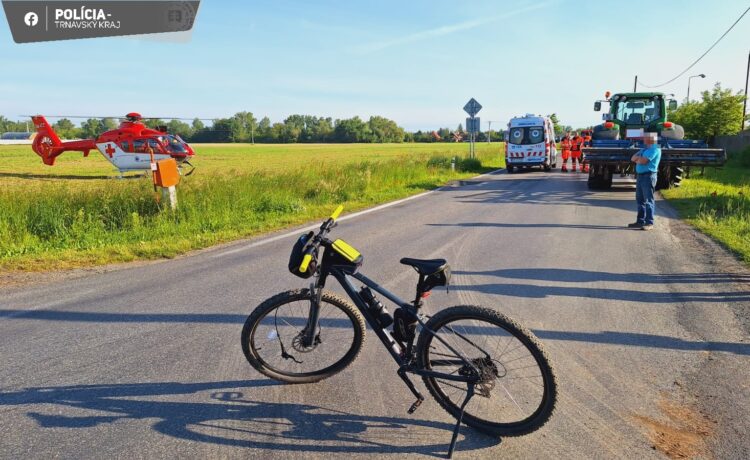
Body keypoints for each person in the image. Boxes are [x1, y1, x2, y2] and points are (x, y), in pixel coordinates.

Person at [628, 133, 662, 230]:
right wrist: (639, 159)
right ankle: (640, 221)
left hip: (649, 176)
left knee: (648, 200)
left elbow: (643, 161)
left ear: (652, 139)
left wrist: (638, 159)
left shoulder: (655, 149)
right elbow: (632, 158)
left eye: (646, 138)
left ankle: (649, 223)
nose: (644, 140)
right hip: (640, 176)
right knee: (640, 200)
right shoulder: (645, 149)